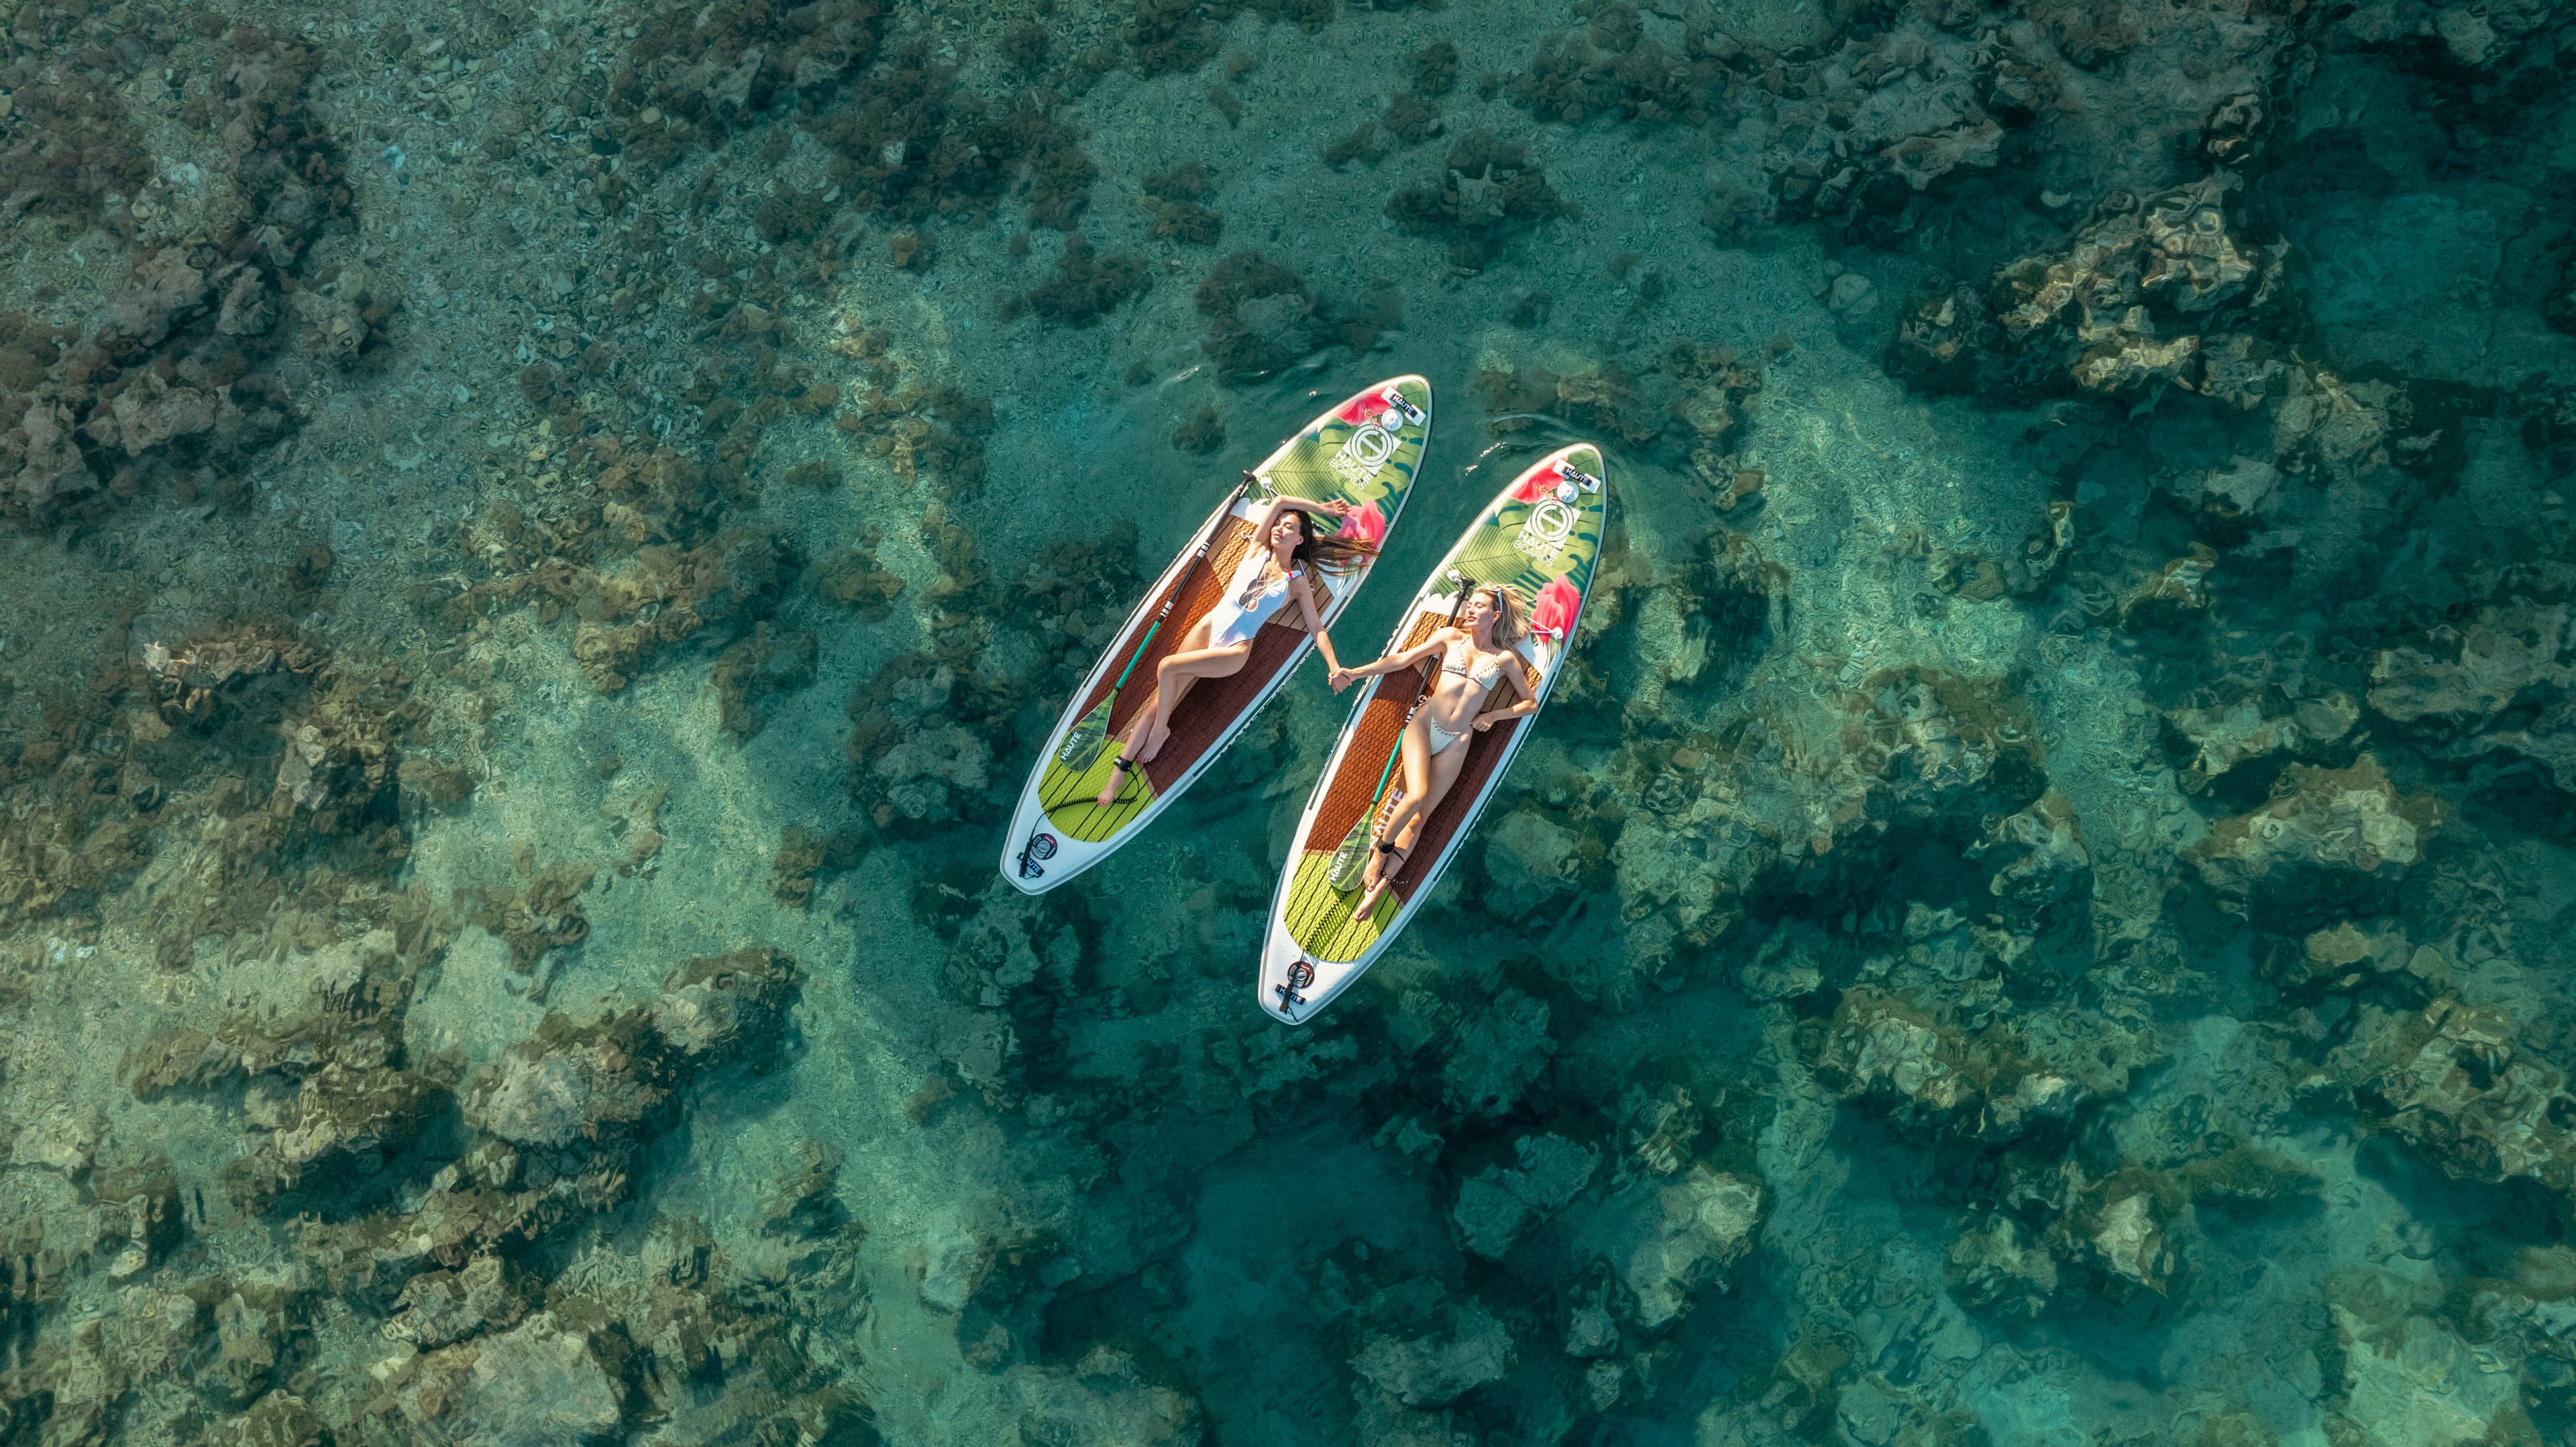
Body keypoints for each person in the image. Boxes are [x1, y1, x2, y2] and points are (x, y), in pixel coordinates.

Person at [1095, 493, 1372, 807]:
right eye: (1278, 524)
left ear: (1300, 540)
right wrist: (1321, 508)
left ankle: (1160, 732)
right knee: (1158, 701)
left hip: (1235, 650)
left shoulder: (1296, 582)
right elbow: (1280, 501)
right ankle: (1117, 775)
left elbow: (1317, 627)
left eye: (1289, 527)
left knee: (1167, 667)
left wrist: (1333, 666)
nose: (1279, 528)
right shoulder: (1257, 548)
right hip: (1208, 627)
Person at [1328, 582, 1536, 920]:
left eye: (1479, 606)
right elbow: (1402, 660)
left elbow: (1530, 704)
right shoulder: (1450, 637)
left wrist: (1494, 716)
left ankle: (1377, 892)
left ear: (1495, 616)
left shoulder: (1504, 659)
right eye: (1470, 604)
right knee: (1415, 796)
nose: (1470, 609)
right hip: (1425, 726)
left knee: (1420, 819)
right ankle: (1380, 851)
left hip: (1458, 740)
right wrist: (1355, 672)